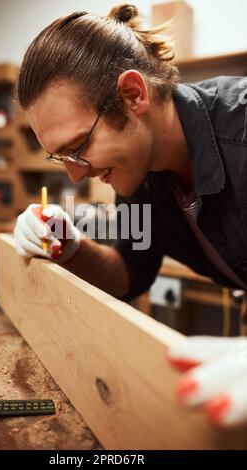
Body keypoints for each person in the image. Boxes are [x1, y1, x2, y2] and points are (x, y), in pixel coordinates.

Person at [13, 4, 247, 427]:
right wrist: (70, 249)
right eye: (60, 156)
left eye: (79, 144)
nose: (74, 171)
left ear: (134, 95)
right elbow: (130, 273)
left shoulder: (242, 131)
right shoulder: (140, 176)